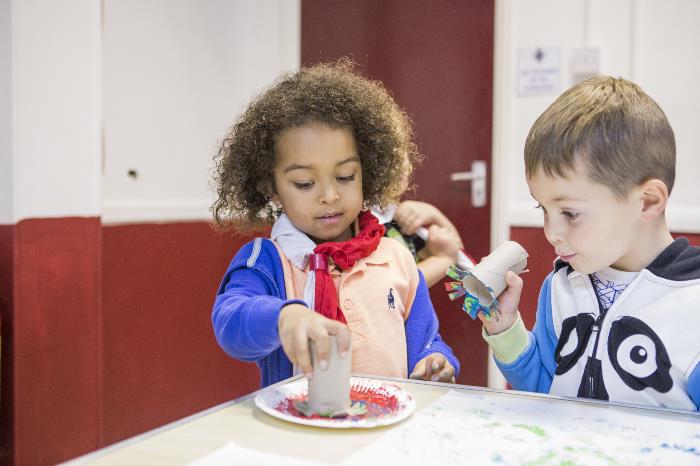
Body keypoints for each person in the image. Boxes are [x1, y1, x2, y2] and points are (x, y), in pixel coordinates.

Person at [211, 60, 459, 388]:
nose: (329, 195)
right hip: (301, 433)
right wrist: (283, 318)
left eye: (345, 177)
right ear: (271, 187)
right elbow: (230, 320)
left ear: (367, 171)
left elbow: (427, 340)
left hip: (386, 429)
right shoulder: (269, 259)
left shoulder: (396, 258)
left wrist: (436, 362)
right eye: (304, 183)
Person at [480, 76, 700, 410]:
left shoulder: (692, 303)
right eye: (543, 209)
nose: (551, 232)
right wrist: (506, 330)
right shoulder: (560, 287)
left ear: (648, 202)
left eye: (569, 212)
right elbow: (545, 388)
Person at [380, 200, 466, 288]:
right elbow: (390, 287)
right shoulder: (368, 223)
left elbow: (456, 253)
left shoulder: (391, 214)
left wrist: (434, 215)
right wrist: (443, 259)